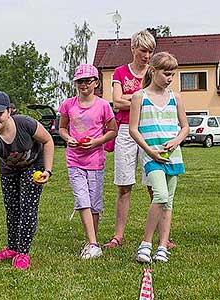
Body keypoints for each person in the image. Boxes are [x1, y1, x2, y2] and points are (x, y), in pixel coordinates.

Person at [103, 30, 175, 249]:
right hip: (126, 130)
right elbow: (116, 102)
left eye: (150, 51)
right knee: (124, 186)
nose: (146, 55)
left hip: (151, 131)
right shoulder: (120, 72)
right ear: (133, 48)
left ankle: (163, 236)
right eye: (143, 50)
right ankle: (118, 236)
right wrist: (141, 99)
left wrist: (132, 99)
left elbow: (159, 98)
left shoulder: (155, 72)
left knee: (155, 186)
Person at [0, 91, 54, 269]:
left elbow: (48, 140)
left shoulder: (25, 124)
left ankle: (23, 253)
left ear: (9, 111)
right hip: (9, 169)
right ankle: (12, 248)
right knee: (12, 208)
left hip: (33, 166)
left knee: (27, 207)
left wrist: (48, 170)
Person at [130, 52, 189, 263]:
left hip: (173, 156)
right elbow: (133, 130)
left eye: (172, 74)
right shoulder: (140, 97)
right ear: (153, 72)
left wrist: (176, 141)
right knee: (161, 195)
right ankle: (145, 245)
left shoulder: (176, 97)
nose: (170, 78)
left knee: (169, 202)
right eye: (166, 74)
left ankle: (162, 247)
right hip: (152, 156)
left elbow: (185, 127)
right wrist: (149, 150)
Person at [58, 64, 117, 259]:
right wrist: (68, 139)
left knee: (94, 204)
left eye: (88, 81)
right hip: (74, 160)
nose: (84, 84)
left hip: (95, 161)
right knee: (82, 200)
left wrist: (96, 141)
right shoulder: (68, 105)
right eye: (80, 81)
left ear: (96, 83)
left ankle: (93, 241)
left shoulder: (103, 106)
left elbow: (112, 131)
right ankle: (92, 243)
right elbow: (62, 128)